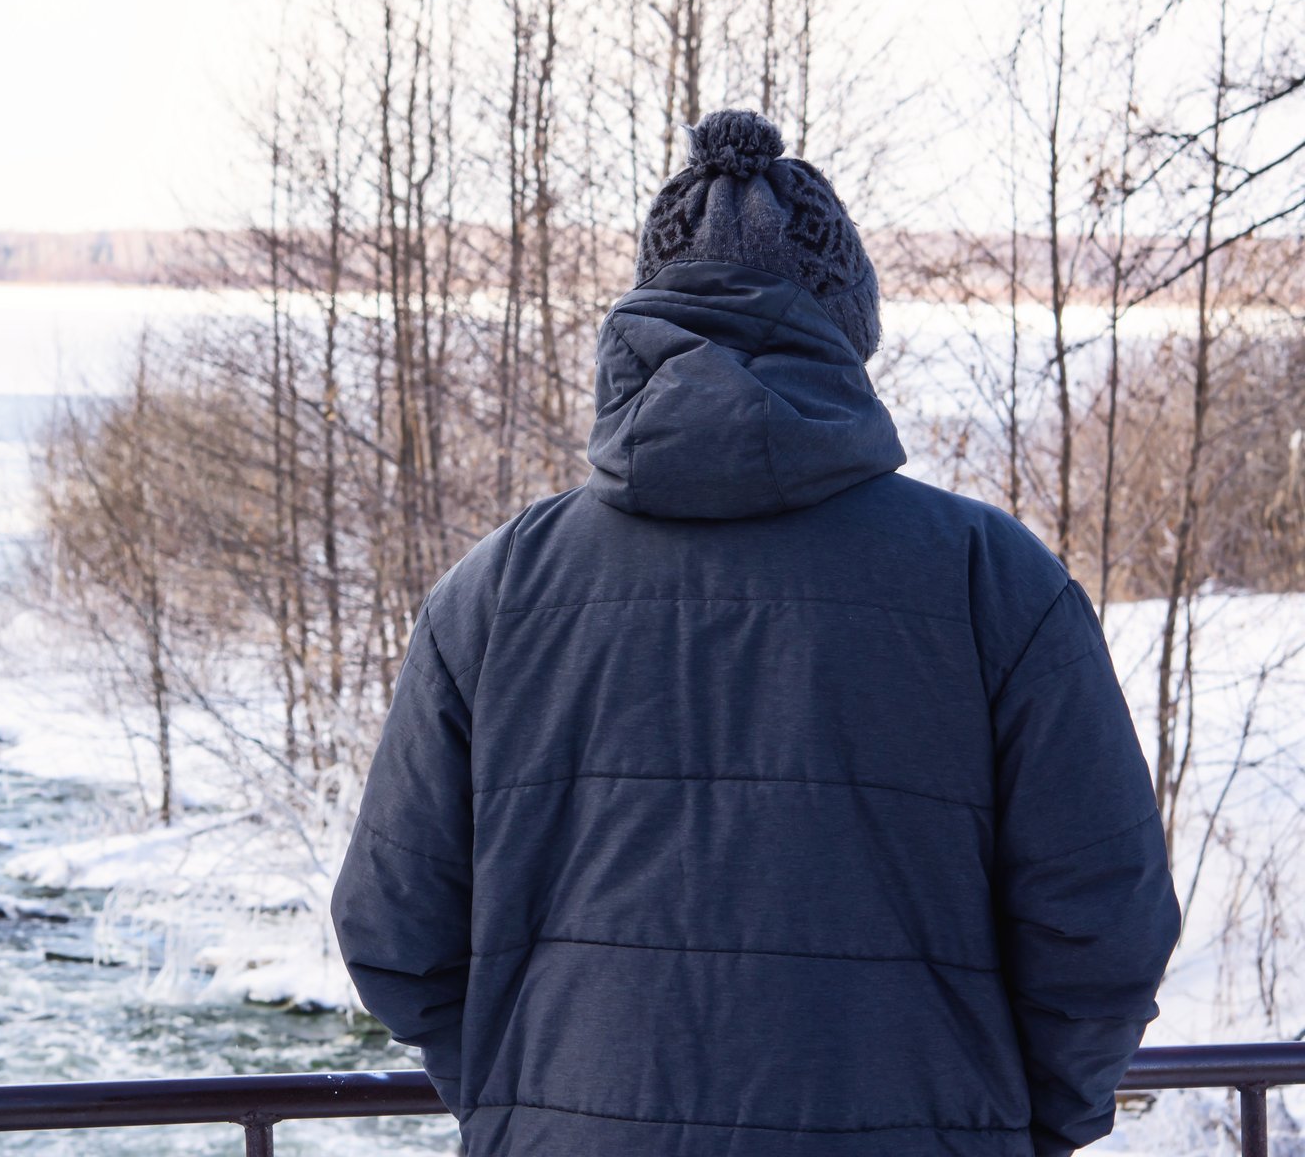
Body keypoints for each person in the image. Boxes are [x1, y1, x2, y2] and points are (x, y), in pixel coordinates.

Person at [328, 108, 1182, 1157]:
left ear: (646, 314)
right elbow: (1104, 924)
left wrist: (525, 1098)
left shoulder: (494, 591)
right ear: (849, 331)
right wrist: (1017, 1124)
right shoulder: (992, 580)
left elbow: (393, 925)